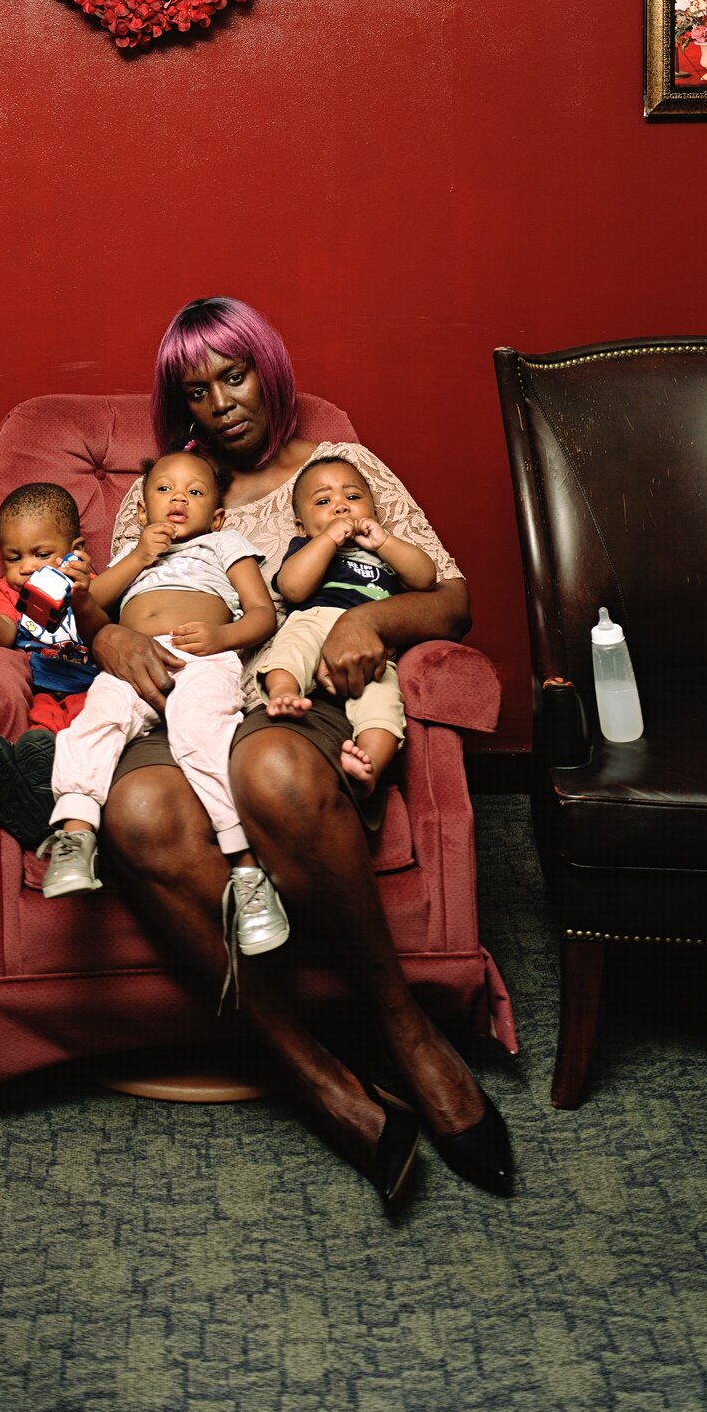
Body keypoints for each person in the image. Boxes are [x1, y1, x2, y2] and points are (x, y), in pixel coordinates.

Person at [89, 296, 513, 1211]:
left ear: (267, 369)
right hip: (177, 699)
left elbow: (451, 597)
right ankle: (312, 1073)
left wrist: (366, 617)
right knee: (136, 812)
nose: (222, 404)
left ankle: (401, 1027)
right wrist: (111, 643)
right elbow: (110, 607)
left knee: (269, 769)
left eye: (234, 377)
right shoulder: (165, 489)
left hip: (295, 696)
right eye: (197, 392)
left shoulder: (341, 468)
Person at [39, 453, 290, 977]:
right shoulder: (135, 551)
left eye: (195, 493)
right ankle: (75, 829)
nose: (179, 499)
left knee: (204, 737)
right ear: (143, 506)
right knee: (95, 722)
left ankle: (247, 872)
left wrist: (223, 635)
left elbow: (263, 613)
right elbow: (94, 610)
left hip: (201, 657)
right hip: (132, 660)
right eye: (166, 490)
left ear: (217, 516)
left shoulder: (225, 545)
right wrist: (134, 560)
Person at [257, 454, 437, 800]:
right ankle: (284, 694)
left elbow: (425, 579)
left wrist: (385, 542)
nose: (341, 507)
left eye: (352, 498)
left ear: (373, 510)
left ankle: (368, 763)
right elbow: (293, 588)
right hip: (317, 618)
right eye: (324, 501)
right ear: (301, 526)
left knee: (384, 700)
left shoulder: (386, 551)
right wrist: (326, 541)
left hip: (373, 642)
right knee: (294, 647)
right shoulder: (306, 546)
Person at [0, 482, 101, 848]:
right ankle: (31, 789)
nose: (26, 568)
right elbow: (1, 634)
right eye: (14, 558)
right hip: (41, 689)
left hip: (91, 690)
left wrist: (83, 593)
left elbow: (106, 630)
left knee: (87, 738)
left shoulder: (86, 586)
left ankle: (50, 806)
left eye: (41, 554)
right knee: (36, 739)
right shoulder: (5, 591)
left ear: (74, 551)